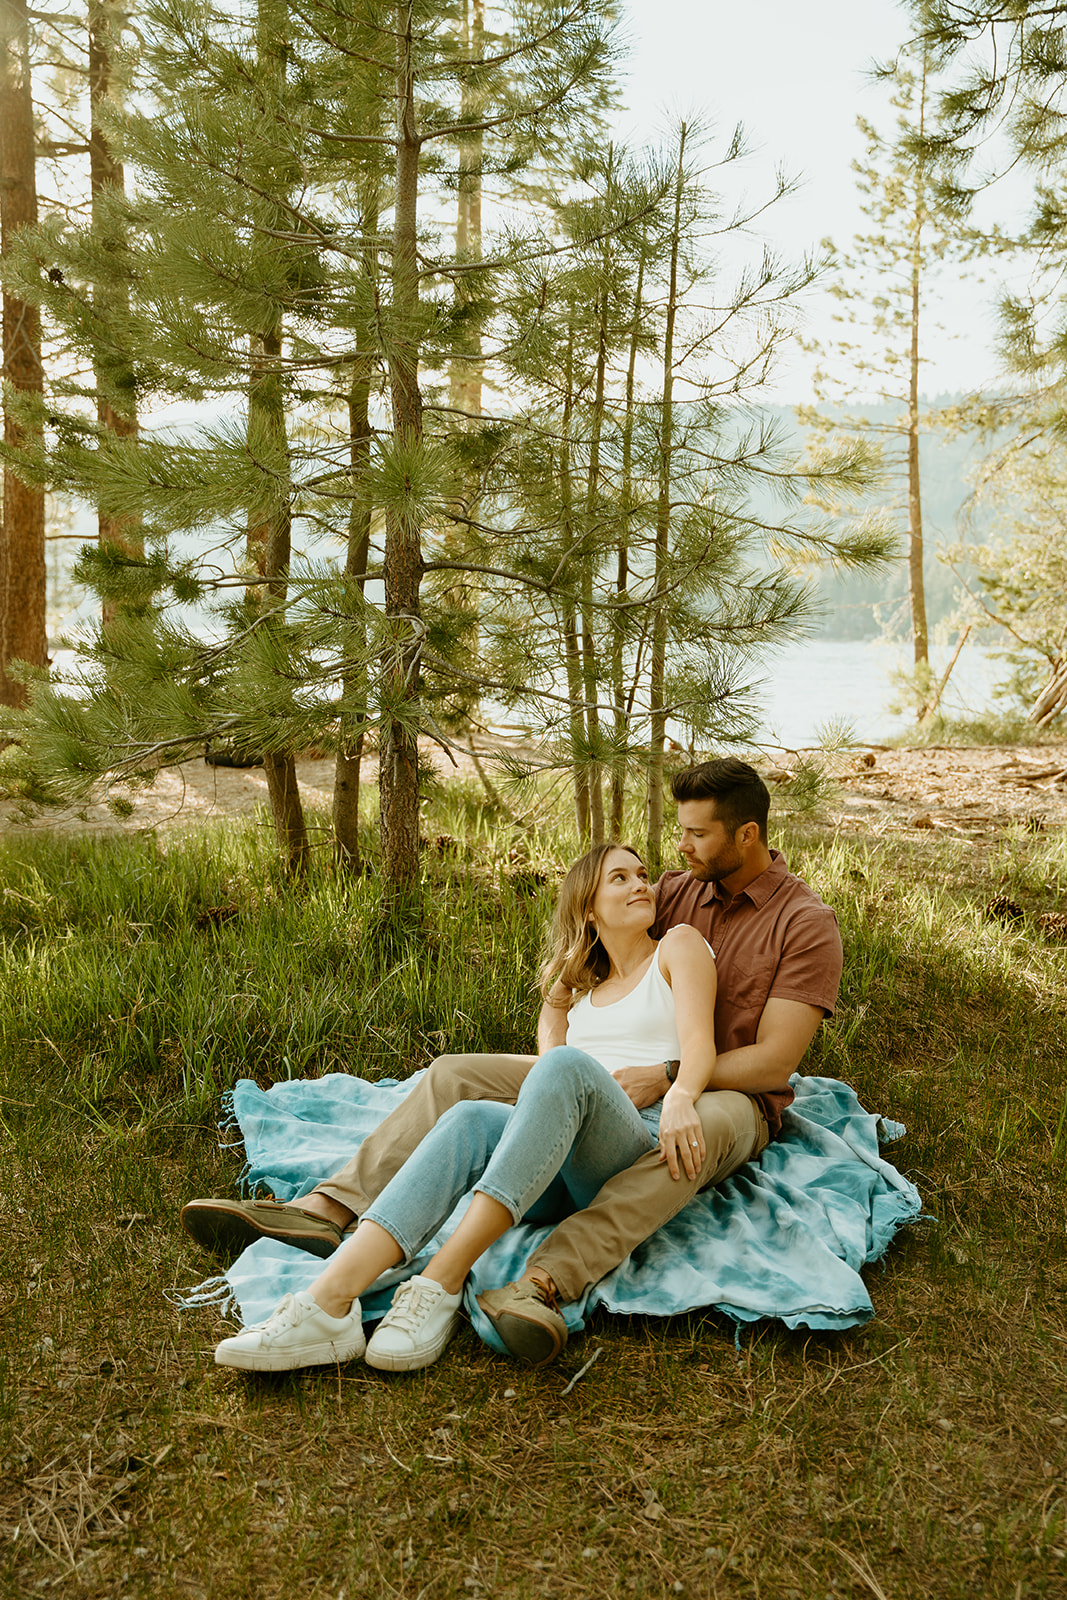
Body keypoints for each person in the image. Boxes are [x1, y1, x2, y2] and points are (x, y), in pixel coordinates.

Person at [185, 756, 843, 1364]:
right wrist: (560, 1052)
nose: (676, 851)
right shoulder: (678, 889)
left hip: (730, 1091)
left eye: (697, 834)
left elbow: (773, 1062)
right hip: (609, 1084)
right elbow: (594, 941)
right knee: (460, 1084)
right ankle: (330, 1227)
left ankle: (540, 1279)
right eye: (674, 839)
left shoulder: (802, 922)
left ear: (748, 835)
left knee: (704, 1124)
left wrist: (671, 1083)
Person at [212, 842, 717, 1373]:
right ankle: (329, 1303)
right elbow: (550, 1059)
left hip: (627, 1147)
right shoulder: (585, 996)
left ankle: (438, 1283)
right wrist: (562, 984)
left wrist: (679, 1092)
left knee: (565, 1065)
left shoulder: (677, 946)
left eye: (642, 875)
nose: (642, 884)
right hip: (553, 1165)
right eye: (620, 878)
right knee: (469, 1117)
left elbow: (699, 1044)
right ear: (588, 907)